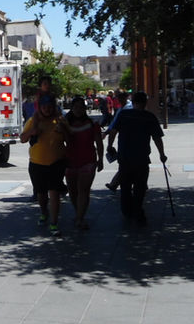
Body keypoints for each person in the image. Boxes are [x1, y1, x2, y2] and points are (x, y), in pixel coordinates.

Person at [106, 91, 167, 223]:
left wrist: (110, 146)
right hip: (142, 158)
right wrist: (162, 154)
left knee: (126, 186)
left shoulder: (123, 114)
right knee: (140, 187)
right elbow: (157, 138)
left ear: (133, 102)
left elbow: (113, 131)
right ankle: (138, 210)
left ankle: (127, 210)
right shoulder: (149, 117)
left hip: (125, 157)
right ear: (145, 103)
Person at [20, 94, 69, 236]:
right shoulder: (33, 121)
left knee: (54, 193)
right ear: (40, 108)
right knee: (42, 195)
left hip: (56, 163)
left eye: (49, 107)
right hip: (37, 163)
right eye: (44, 107)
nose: (47, 109)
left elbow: (70, 140)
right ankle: (44, 212)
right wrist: (32, 132)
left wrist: (64, 130)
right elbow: (22, 139)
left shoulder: (60, 120)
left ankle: (54, 223)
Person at [64, 97, 104, 230]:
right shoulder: (65, 124)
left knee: (83, 191)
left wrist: (101, 159)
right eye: (76, 107)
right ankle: (78, 214)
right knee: (73, 192)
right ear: (72, 108)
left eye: (81, 107)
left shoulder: (93, 124)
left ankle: (80, 218)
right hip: (69, 161)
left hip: (88, 161)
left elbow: (99, 142)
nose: (79, 110)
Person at [104, 91, 132, 192]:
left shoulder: (128, 109)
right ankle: (114, 184)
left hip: (128, 141)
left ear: (126, 97)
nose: (119, 100)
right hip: (126, 141)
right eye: (118, 98)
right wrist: (107, 133)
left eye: (121, 98)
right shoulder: (121, 108)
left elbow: (115, 127)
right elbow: (114, 124)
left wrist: (109, 143)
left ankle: (114, 184)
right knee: (129, 165)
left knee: (126, 165)